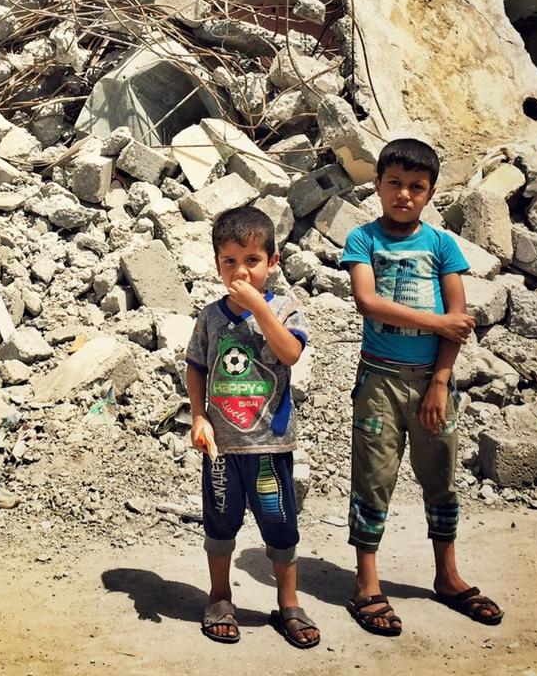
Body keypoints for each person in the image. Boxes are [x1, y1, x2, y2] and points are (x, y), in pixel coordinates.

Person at [341, 137, 504, 635]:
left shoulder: (441, 245)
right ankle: (367, 583)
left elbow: (460, 319)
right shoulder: (362, 239)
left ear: (431, 193)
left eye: (416, 187)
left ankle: (447, 575)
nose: (404, 195)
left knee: (441, 479)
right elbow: (368, 303)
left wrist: (440, 381)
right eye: (395, 183)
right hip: (380, 383)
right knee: (373, 479)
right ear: (377, 185)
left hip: (434, 385)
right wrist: (437, 324)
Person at [186, 205, 318, 649]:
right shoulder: (209, 317)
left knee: (279, 524)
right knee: (220, 524)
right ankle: (220, 598)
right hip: (222, 448)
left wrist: (260, 307)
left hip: (269, 446)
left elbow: (290, 355)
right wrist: (200, 415)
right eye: (230, 261)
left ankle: (288, 602)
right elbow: (196, 367)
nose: (240, 271)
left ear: (272, 262)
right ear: (217, 263)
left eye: (252, 261)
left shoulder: (284, 309)